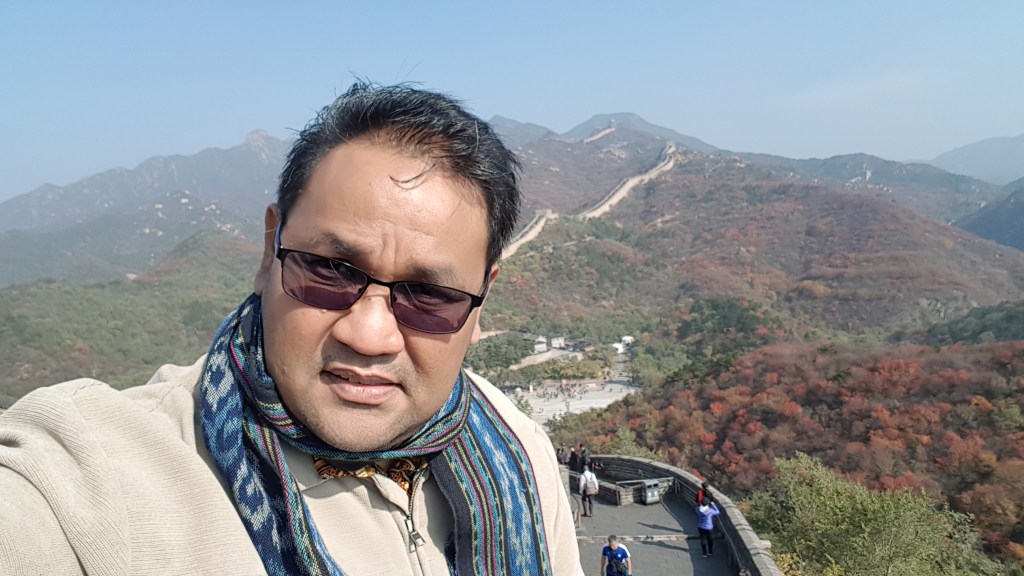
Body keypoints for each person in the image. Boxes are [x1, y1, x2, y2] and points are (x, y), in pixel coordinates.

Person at [0, 83, 583, 575]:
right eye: (330, 269)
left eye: (430, 295)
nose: (369, 335)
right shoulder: (94, 481)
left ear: (480, 306)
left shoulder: (521, 460)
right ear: (268, 253)